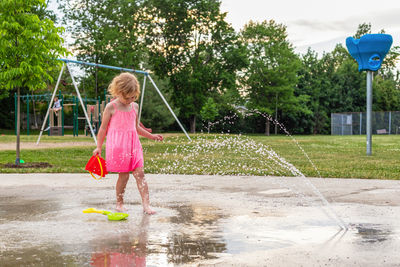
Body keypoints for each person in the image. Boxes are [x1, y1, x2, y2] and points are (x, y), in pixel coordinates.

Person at [93, 72, 163, 214]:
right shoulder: (111, 107)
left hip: (134, 145)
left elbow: (136, 127)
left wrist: (151, 136)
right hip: (119, 146)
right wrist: (98, 147)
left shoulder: (135, 107)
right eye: (127, 97)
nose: (130, 100)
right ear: (118, 92)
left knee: (140, 174)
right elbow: (103, 128)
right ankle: (119, 203)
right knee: (123, 176)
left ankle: (146, 205)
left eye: (133, 97)